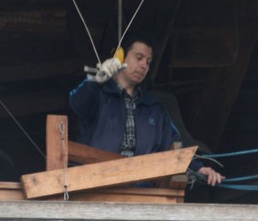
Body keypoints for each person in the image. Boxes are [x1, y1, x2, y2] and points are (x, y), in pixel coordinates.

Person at [69, 33, 223, 185]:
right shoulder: (99, 96)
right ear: (119, 57)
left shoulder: (155, 109)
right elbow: (77, 104)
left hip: (141, 191)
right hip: (95, 184)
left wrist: (198, 168)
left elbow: (175, 146)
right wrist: (96, 80)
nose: (144, 65)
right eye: (139, 58)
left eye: (148, 62)